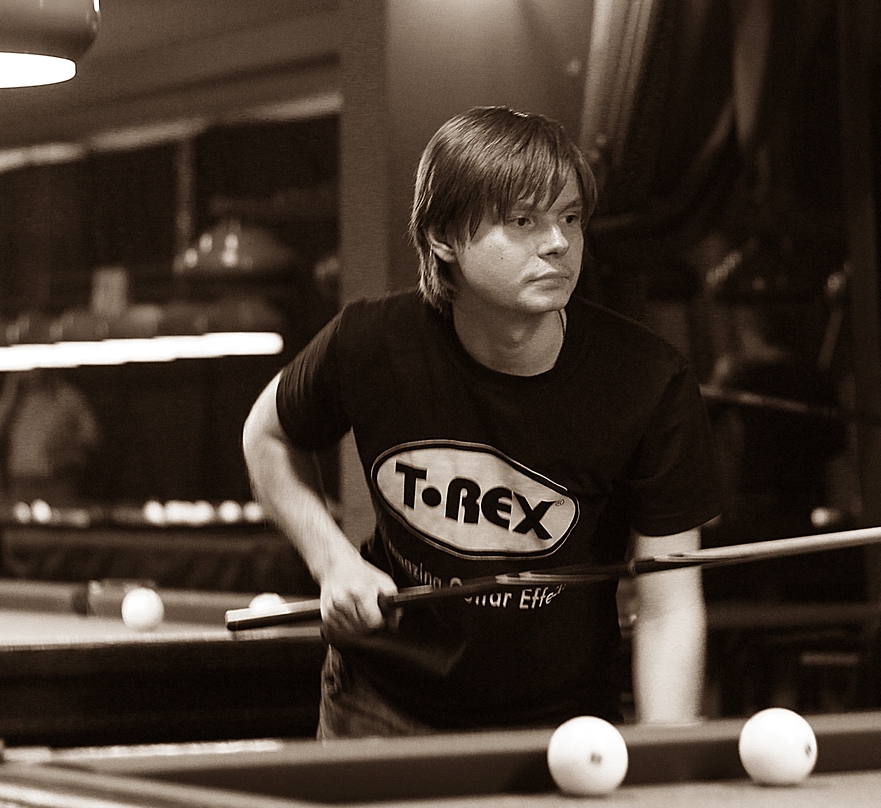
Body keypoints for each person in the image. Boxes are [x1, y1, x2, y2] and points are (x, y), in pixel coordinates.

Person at [242, 105, 723, 738]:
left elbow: (668, 607)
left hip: (562, 724)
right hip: (381, 703)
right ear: (444, 236)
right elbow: (266, 436)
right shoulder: (371, 343)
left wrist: (665, 754)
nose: (558, 243)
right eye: (523, 221)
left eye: (570, 218)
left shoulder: (648, 381)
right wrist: (332, 560)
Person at [0, 368, 100, 504]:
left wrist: (67, 454)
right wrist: (10, 391)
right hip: (21, 485)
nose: (32, 372)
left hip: (57, 485)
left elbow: (91, 440)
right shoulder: (13, 399)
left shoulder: (68, 398)